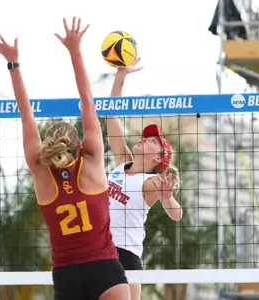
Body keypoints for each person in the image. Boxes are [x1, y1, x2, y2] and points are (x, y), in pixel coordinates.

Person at [0, 17, 130, 300]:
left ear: (46, 145)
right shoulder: (91, 163)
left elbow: (25, 112)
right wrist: (75, 50)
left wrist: (13, 63)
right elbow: (86, 99)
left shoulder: (41, 171)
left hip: (67, 276)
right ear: (79, 143)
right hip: (106, 271)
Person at [106, 58, 183, 300]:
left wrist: (168, 198)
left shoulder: (150, 183)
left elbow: (177, 214)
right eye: (148, 137)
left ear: (157, 160)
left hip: (124, 255)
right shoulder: (122, 163)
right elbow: (111, 116)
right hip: (99, 250)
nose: (145, 139)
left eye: (153, 142)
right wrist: (121, 76)